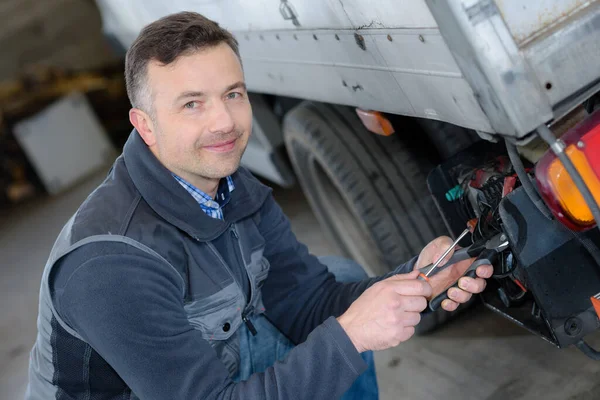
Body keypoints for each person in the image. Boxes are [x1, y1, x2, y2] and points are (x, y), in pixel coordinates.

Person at [26, 11, 493, 400]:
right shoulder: (109, 263)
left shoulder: (229, 184)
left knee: (349, 287)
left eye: (233, 94)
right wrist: (352, 334)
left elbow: (308, 301)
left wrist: (417, 279)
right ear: (145, 126)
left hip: (212, 359)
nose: (225, 121)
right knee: (342, 334)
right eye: (192, 104)